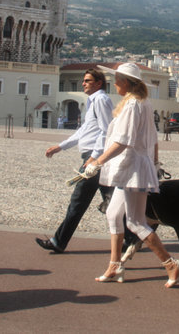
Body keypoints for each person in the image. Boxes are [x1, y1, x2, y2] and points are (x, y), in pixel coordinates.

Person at [85, 63, 179, 288]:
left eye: (118, 79)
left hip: (132, 169)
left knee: (135, 221)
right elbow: (153, 138)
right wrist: (155, 162)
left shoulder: (133, 105)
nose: (115, 83)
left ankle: (172, 264)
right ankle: (115, 265)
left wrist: (97, 162)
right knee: (113, 214)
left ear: (128, 83)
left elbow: (122, 142)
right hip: (133, 168)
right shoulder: (143, 103)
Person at [36, 68, 116, 253]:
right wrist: (60, 147)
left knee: (78, 201)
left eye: (87, 80)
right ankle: (134, 235)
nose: (83, 83)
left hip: (93, 159)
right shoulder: (93, 101)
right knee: (111, 202)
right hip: (93, 157)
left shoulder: (101, 100)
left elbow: (106, 131)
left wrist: (94, 158)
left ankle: (59, 241)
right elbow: (85, 131)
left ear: (98, 83)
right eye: (84, 80)